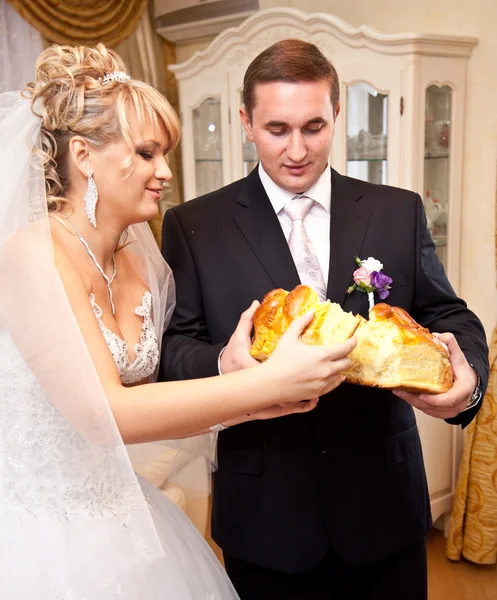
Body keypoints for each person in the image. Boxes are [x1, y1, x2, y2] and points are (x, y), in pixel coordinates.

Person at [0, 43, 358, 599]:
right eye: (146, 153)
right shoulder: (32, 255)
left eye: (164, 153)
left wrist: (233, 375)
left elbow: (159, 398)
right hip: (42, 528)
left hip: (121, 512)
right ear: (83, 155)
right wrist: (259, 385)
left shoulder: (141, 265)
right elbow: (106, 415)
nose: (165, 172)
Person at [160, 39, 490, 600]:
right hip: (267, 519)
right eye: (277, 129)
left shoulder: (397, 208)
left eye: (314, 126)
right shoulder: (194, 224)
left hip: (384, 508)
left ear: (337, 114)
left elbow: (447, 312)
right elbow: (172, 349)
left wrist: (468, 382)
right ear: (245, 122)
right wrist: (223, 363)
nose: (296, 150)